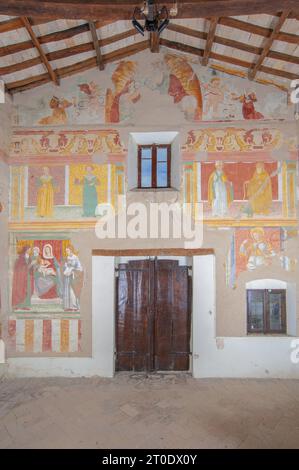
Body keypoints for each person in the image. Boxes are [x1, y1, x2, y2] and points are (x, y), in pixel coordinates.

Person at [12, 246, 33, 310]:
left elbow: (30, 269)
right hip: (21, 277)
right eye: (29, 250)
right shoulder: (20, 258)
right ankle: (18, 305)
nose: (29, 251)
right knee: (21, 291)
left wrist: (32, 266)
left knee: (28, 290)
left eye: (30, 250)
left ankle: (25, 305)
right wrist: (30, 265)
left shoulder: (29, 258)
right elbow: (20, 267)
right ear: (26, 250)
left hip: (28, 277)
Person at [63, 246, 83, 311]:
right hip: (67, 276)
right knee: (67, 290)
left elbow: (80, 268)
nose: (67, 252)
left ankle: (75, 306)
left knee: (73, 291)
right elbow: (65, 266)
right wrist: (66, 267)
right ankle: (68, 306)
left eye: (68, 251)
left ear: (71, 250)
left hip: (74, 276)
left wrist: (73, 269)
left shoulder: (75, 258)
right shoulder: (67, 258)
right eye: (66, 251)